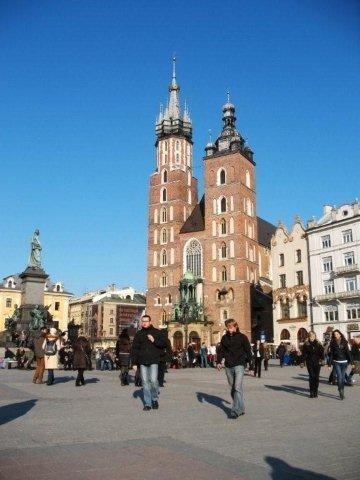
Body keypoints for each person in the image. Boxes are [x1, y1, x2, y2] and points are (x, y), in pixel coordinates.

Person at [217, 319, 253, 419]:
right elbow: (221, 351)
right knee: (233, 388)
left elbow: (248, 351)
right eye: (228, 327)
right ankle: (241, 408)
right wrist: (219, 362)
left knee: (237, 387)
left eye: (231, 327)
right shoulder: (224, 338)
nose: (229, 329)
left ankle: (235, 410)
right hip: (228, 365)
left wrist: (251, 365)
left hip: (239, 364)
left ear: (235, 326)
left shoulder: (242, 337)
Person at [130, 315, 166, 411]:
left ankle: (154, 399)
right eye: (143, 321)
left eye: (146, 321)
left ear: (150, 322)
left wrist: (154, 340)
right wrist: (134, 363)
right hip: (142, 361)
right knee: (145, 383)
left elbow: (163, 344)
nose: (144, 323)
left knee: (154, 381)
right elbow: (134, 349)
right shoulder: (139, 334)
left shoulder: (156, 332)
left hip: (154, 360)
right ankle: (147, 403)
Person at [327, 329, 353, 400]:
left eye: (337, 334)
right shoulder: (332, 343)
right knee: (339, 377)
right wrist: (329, 364)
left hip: (344, 363)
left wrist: (352, 362)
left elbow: (348, 352)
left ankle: (341, 389)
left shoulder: (345, 342)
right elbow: (331, 354)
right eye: (335, 334)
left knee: (342, 377)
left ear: (340, 334)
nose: (336, 335)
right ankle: (341, 391)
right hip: (336, 362)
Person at [301, 331, 324, 398]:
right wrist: (302, 362)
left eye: (313, 335)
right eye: (310, 335)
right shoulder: (306, 344)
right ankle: (311, 392)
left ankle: (315, 391)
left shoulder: (319, 343)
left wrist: (322, 359)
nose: (312, 337)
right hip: (309, 362)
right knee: (311, 376)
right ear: (309, 336)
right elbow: (304, 354)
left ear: (315, 336)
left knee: (316, 377)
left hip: (317, 362)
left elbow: (321, 353)